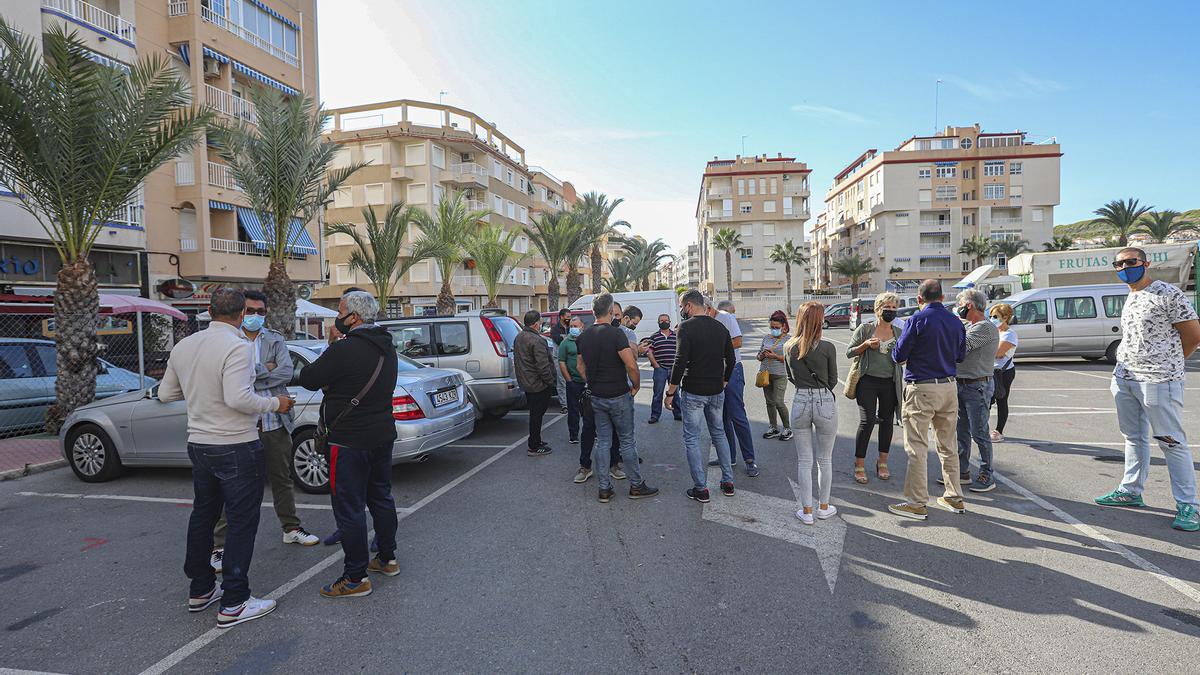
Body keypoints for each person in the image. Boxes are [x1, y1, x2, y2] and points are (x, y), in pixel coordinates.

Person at [159, 288, 293, 628]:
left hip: (199, 444)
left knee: (203, 515)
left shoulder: (185, 346)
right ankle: (235, 600)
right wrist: (275, 404)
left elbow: (166, 393)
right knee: (241, 522)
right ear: (239, 315)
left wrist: (198, 391)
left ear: (208, 310)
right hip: (236, 444)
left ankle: (201, 588)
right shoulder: (239, 346)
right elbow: (239, 398)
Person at [300, 291, 401, 598]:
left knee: (349, 508)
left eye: (340, 311)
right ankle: (387, 558)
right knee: (381, 496)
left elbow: (308, 377)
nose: (337, 317)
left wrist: (331, 350)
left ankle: (355, 577)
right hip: (382, 434)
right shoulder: (388, 347)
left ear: (354, 317)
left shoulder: (344, 350)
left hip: (348, 441)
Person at [208, 291, 318, 574]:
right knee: (233, 485)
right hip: (240, 424)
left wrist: (253, 373)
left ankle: (291, 527)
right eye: (250, 310)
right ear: (240, 311)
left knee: (282, 477)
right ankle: (219, 545)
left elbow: (284, 372)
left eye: (260, 310)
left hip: (274, 422)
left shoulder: (275, 339)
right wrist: (262, 369)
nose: (255, 315)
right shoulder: (229, 340)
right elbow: (228, 379)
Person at [1095, 247, 1200, 532]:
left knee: (1171, 441)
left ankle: (1189, 505)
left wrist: (1168, 365)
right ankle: (1131, 490)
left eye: (1131, 262)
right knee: (1133, 437)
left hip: (1158, 380)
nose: (1125, 267)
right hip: (1125, 377)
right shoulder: (1131, 295)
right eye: (1119, 264)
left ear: (1145, 263)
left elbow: (1192, 335)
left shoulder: (1168, 293)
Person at [887, 279, 967, 521]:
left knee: (917, 446)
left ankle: (917, 502)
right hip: (949, 386)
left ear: (919, 299)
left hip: (921, 387)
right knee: (948, 444)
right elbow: (961, 355)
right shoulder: (955, 321)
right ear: (942, 298)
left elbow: (899, 354)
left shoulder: (917, 320)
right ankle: (954, 495)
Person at [576, 293, 659, 502]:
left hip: (597, 396)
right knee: (627, 442)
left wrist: (592, 382)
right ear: (611, 310)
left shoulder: (583, 337)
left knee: (602, 441)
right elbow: (631, 364)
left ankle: (604, 488)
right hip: (619, 395)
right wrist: (636, 386)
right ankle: (636, 486)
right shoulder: (616, 335)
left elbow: (580, 367)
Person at [666, 291, 736, 501]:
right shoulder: (720, 327)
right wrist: (723, 381)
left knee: (692, 438)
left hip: (694, 391)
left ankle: (701, 488)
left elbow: (680, 361)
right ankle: (728, 481)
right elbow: (731, 360)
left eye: (682, 307)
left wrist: (670, 392)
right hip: (716, 391)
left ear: (688, 306)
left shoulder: (685, 328)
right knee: (719, 434)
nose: (681, 311)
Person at [783, 302, 839, 525]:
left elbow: (791, 378)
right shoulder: (827, 347)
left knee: (804, 460)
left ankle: (806, 511)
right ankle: (824, 507)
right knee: (824, 459)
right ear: (819, 320)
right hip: (824, 400)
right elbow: (833, 380)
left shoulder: (789, 346)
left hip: (801, 400)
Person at [846, 292, 903, 484]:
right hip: (867, 381)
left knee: (887, 421)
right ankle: (859, 464)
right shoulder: (865, 329)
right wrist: (865, 345)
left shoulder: (898, 332)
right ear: (878, 309)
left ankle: (882, 462)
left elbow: (903, 358)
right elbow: (849, 352)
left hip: (890, 382)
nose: (891, 311)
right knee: (868, 420)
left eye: (894, 308)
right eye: (888, 307)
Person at [953, 289, 1000, 493]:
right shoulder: (969, 325)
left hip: (977, 386)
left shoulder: (985, 328)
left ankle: (986, 474)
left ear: (969, 305)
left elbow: (962, 348)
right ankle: (962, 472)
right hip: (962, 383)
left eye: (961, 304)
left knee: (979, 432)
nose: (959, 309)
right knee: (961, 431)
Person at [709, 299, 758, 477]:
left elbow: (737, 342)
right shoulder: (706, 321)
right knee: (722, 418)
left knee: (737, 416)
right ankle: (729, 457)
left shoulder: (726, 318)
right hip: (715, 373)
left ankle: (750, 460)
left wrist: (713, 350)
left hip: (732, 371)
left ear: (708, 308)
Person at [513, 309, 556, 456]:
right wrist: (550, 381)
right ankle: (534, 445)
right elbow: (542, 365)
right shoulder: (537, 340)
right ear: (537, 324)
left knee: (535, 415)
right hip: (538, 384)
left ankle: (536, 440)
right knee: (537, 415)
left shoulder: (519, 337)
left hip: (527, 382)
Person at [757, 310, 792, 442]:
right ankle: (773, 427)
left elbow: (791, 359)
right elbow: (758, 355)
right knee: (769, 402)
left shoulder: (789, 339)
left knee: (778, 402)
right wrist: (761, 356)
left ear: (784, 326)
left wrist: (775, 356)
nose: (774, 329)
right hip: (765, 374)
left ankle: (787, 428)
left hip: (780, 374)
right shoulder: (766, 338)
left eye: (776, 327)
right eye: (772, 327)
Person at [989, 303, 1018, 443]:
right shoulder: (994, 332)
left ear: (1005, 317)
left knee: (1001, 399)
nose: (992, 319)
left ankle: (999, 431)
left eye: (995, 316)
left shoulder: (1010, 334)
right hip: (989, 370)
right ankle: (980, 427)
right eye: (991, 316)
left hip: (1004, 372)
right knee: (986, 400)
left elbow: (998, 353)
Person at [647, 313, 681, 423]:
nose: (664, 322)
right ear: (658, 323)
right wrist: (656, 365)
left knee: (675, 393)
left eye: (666, 320)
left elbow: (680, 351)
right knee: (658, 393)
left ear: (670, 322)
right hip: (660, 369)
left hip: (674, 370)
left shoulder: (676, 336)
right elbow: (649, 352)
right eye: (661, 320)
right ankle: (655, 416)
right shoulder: (654, 337)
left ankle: (678, 413)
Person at [550, 308, 571, 414]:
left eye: (570, 317)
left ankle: (571, 402)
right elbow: (560, 342)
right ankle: (564, 405)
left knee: (571, 381)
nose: (569, 319)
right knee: (562, 381)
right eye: (567, 317)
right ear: (561, 317)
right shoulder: (555, 329)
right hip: (559, 358)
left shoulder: (571, 327)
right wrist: (569, 338)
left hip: (570, 358)